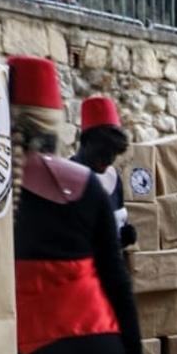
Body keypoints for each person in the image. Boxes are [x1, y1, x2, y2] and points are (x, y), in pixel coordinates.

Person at [9, 55, 145, 354]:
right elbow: (115, 277)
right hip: (100, 342)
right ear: (57, 121)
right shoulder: (85, 184)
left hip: (33, 351)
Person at [74, 94, 136, 250]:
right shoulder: (67, 177)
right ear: (86, 142)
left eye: (114, 153)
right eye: (103, 152)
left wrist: (123, 238)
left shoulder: (114, 178)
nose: (109, 160)